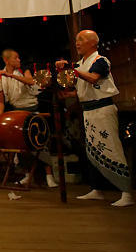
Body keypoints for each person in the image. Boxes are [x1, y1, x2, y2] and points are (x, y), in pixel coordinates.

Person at [57, 30, 133, 207]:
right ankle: (96, 189)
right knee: (92, 150)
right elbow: (81, 88)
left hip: (103, 109)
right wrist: (66, 91)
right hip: (89, 110)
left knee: (112, 148)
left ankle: (127, 193)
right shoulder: (80, 64)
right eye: (76, 40)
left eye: (81, 39)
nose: (77, 43)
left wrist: (72, 69)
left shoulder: (101, 60)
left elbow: (93, 78)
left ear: (93, 42)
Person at [0, 49, 58, 187]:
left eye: (19, 58)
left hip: (32, 109)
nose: (19, 60)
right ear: (6, 60)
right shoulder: (0, 76)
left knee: (40, 142)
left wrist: (11, 75)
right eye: (16, 58)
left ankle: (49, 176)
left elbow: (29, 81)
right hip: (16, 112)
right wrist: (0, 116)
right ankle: (27, 174)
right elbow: (0, 99)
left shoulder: (24, 70)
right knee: (19, 144)